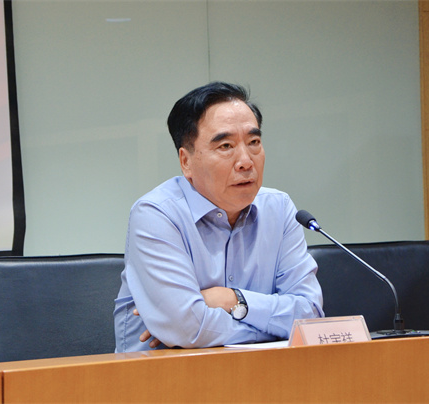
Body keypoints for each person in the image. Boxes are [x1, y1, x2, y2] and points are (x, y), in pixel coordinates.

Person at [114, 82, 323, 352]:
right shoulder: (157, 214)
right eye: (225, 146)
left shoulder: (280, 208)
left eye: (254, 142)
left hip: (261, 373)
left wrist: (231, 300)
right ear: (186, 162)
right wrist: (276, 328)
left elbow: (310, 314)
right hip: (165, 374)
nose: (246, 161)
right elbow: (187, 328)